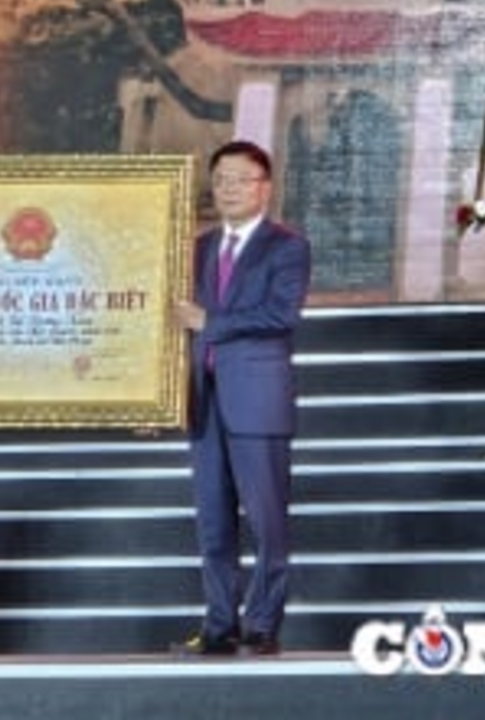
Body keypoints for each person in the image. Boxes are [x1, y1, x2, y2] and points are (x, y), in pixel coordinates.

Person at [170, 139, 310, 658]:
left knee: (267, 521)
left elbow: (280, 315)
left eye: (240, 179)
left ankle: (263, 624)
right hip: (203, 401)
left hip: (257, 400)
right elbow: (175, 325)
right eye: (221, 180)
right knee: (213, 522)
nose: (228, 189)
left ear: (264, 188)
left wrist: (210, 321)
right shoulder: (197, 248)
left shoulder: (287, 247)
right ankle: (219, 623)